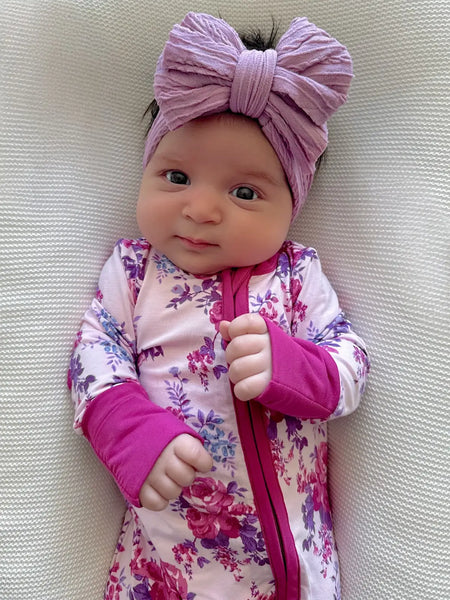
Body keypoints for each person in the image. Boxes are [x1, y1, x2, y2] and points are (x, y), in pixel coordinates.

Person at [69, 12, 369, 600]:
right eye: (177, 176)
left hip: (295, 568)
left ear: (292, 205)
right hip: (162, 564)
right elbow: (93, 353)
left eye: (244, 192)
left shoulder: (296, 275)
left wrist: (296, 367)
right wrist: (129, 431)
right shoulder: (135, 272)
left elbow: (351, 360)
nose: (202, 209)